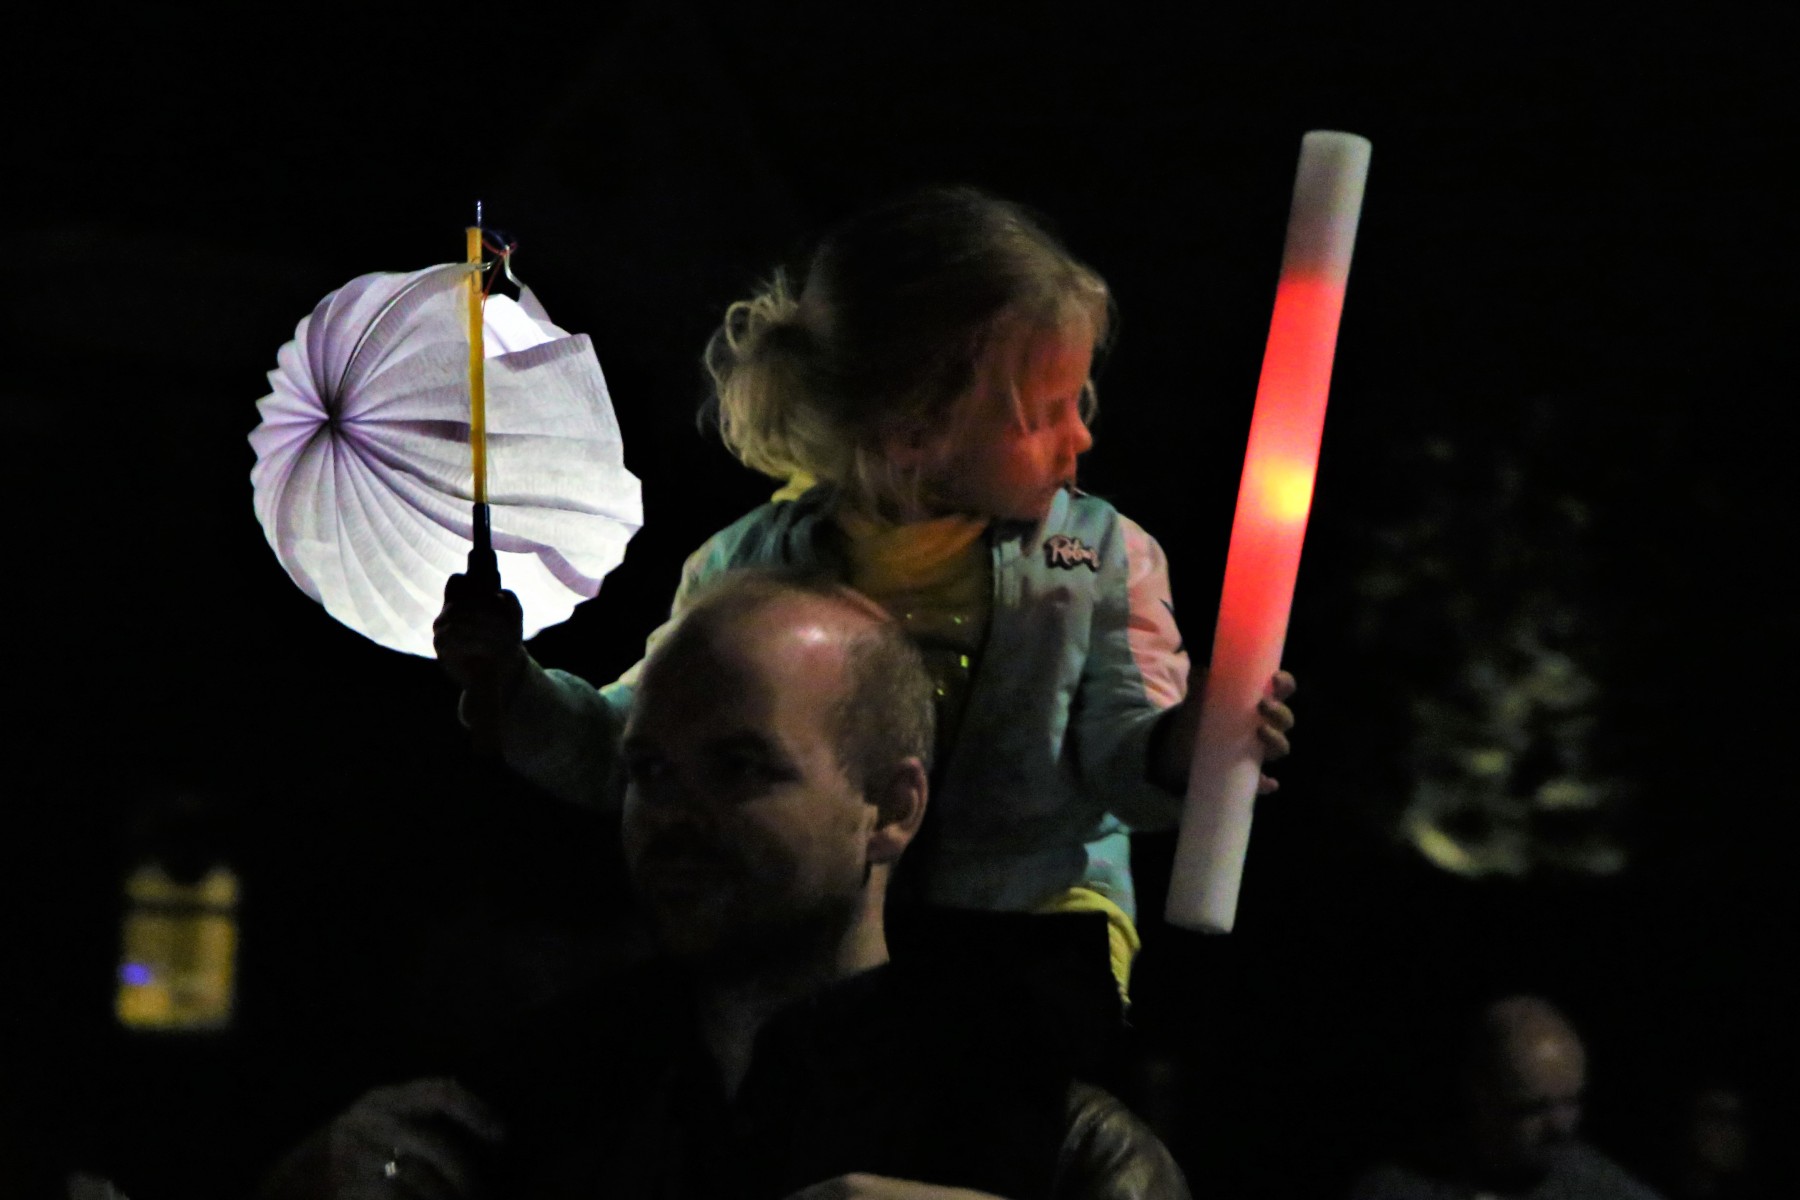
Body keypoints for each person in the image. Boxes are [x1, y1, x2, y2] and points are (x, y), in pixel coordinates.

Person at [436, 186, 1295, 999]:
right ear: (913, 431)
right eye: (1043, 412)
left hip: (1036, 935)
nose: (1082, 435)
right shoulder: (746, 573)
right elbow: (632, 748)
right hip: (817, 947)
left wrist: (1190, 744)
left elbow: (1122, 759)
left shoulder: (1099, 559)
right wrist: (514, 691)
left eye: (1081, 400)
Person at [261, 571, 1191, 1199]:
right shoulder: (512, 1106)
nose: (674, 813)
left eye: (740, 767)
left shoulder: (1056, 1139)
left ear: (892, 806)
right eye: (650, 771)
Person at [1348, 994, 1663, 1200]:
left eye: (1572, 1102)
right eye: (1535, 1108)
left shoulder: (1603, 1188)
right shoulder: (1398, 1189)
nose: (1561, 1127)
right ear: (1482, 1097)